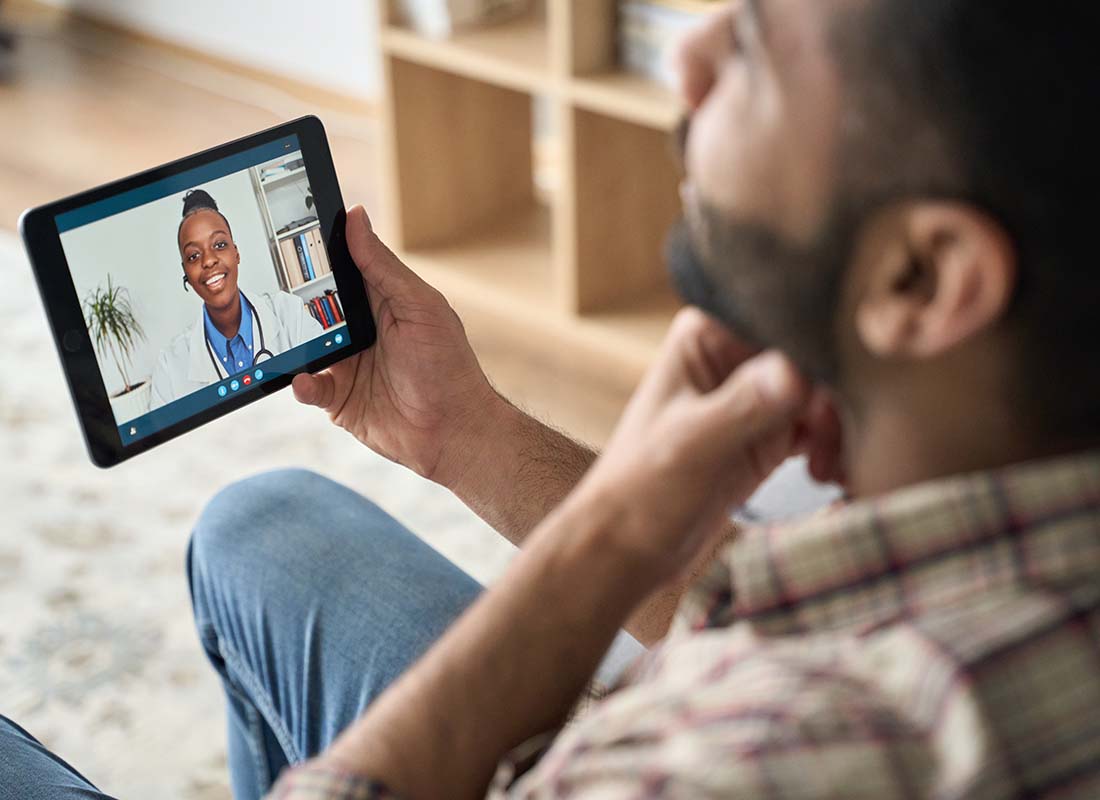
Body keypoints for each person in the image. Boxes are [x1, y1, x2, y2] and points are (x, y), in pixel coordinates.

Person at [2, 0, 1099, 797]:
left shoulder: (759, 756)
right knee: (260, 524)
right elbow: (816, 609)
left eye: (758, 43)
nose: (686, 52)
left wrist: (610, 533)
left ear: (923, 278)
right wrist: (467, 433)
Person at [148, 188, 322, 410]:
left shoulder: (289, 313)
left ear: (236, 253)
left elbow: (328, 387)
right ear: (186, 275)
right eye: (194, 256)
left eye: (219, 245)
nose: (209, 261)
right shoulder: (170, 368)